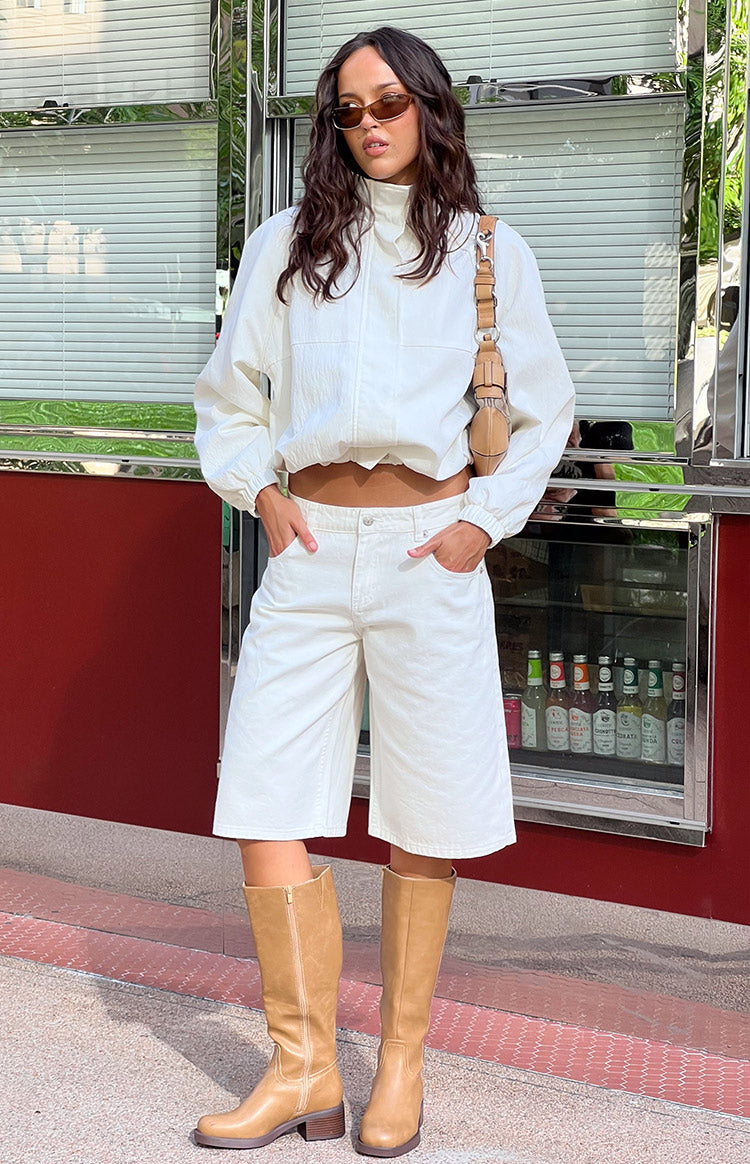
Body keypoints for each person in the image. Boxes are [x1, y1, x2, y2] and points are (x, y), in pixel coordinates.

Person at [192, 25, 575, 1158]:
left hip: (427, 548)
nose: (370, 124)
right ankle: (304, 1066)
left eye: (391, 104)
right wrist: (261, 497)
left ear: (431, 111)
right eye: (350, 109)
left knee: (428, 803)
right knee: (263, 792)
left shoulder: (485, 249)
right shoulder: (284, 247)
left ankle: (398, 1064)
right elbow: (230, 398)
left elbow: (544, 411)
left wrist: (476, 528)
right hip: (310, 549)